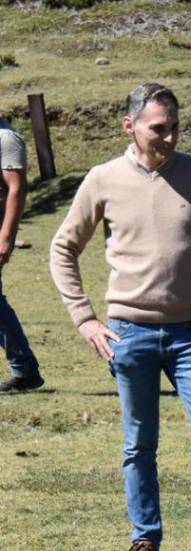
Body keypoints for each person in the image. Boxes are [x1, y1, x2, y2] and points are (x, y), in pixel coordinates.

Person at [49, 83, 191, 551]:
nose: (169, 137)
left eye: (174, 127)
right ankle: (145, 543)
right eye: (158, 128)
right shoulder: (103, 178)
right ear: (130, 126)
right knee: (138, 444)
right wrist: (84, 318)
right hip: (129, 335)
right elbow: (62, 248)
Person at [0, 115, 43, 393]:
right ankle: (25, 369)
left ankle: (25, 369)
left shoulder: (6, 138)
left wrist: (5, 238)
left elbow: (17, 188)